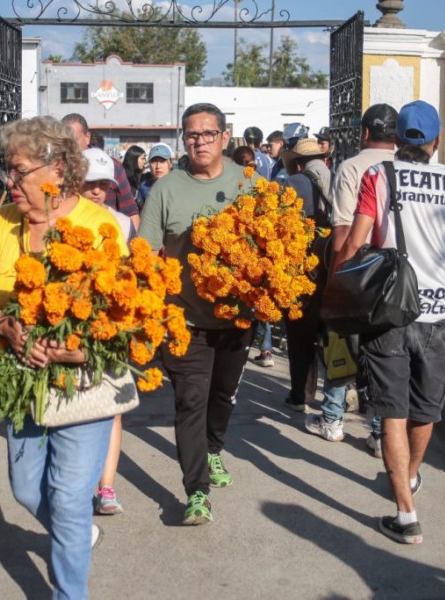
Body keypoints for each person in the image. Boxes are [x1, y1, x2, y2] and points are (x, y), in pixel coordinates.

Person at [0, 116, 128, 599]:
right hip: (17, 381)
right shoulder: (3, 221)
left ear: (57, 168)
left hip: (80, 384)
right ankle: (74, 536)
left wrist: (77, 347)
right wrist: (2, 324)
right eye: (7, 172)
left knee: (70, 499)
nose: (9, 182)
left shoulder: (98, 226)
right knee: (26, 490)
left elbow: (120, 312)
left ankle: (68, 589)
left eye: (18, 171)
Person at [336, 100, 445, 544]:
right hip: (437, 315)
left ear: (397, 138)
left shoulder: (378, 176)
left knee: (392, 411)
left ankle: (406, 517)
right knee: (425, 409)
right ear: (436, 140)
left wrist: (338, 295)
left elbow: (355, 243)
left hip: (389, 311)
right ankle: (408, 478)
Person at [138, 103, 255, 526]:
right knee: (190, 401)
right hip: (184, 318)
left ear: (225, 137)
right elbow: (147, 253)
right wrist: (150, 307)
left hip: (238, 317)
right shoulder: (167, 189)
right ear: (182, 140)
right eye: (192, 135)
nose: (199, 141)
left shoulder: (251, 185)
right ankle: (197, 492)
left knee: (222, 396)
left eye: (208, 134)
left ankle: (213, 449)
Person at [320, 103, 399, 453]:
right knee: (383, 354)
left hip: (357, 266)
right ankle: (381, 433)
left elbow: (341, 230)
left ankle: (333, 419)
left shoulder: (351, 168)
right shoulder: (406, 168)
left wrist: (335, 280)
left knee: (342, 341)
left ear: (364, 132)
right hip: (394, 272)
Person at [81, 147, 134, 516]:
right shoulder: (62, 219)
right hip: (74, 322)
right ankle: (80, 482)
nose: (97, 191)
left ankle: (107, 486)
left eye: (103, 184)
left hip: (113, 324)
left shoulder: (124, 223)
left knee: (113, 407)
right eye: (89, 184)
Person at [279, 138, 332, 413]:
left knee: (300, 336)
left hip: (300, 273)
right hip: (333, 270)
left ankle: (301, 394)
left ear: (298, 163)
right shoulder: (337, 181)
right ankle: (338, 399)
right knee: (334, 335)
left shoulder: (293, 185)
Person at [230, 146, 274, 368]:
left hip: (242, 253)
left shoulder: (233, 185)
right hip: (257, 253)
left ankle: (239, 345)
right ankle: (265, 350)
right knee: (258, 300)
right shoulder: (263, 186)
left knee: (244, 300)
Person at [61, 113, 140, 229]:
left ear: (87, 137)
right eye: (63, 142)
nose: (68, 147)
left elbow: (131, 212)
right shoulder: (55, 170)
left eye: (73, 141)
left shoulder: (111, 166)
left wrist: (130, 243)